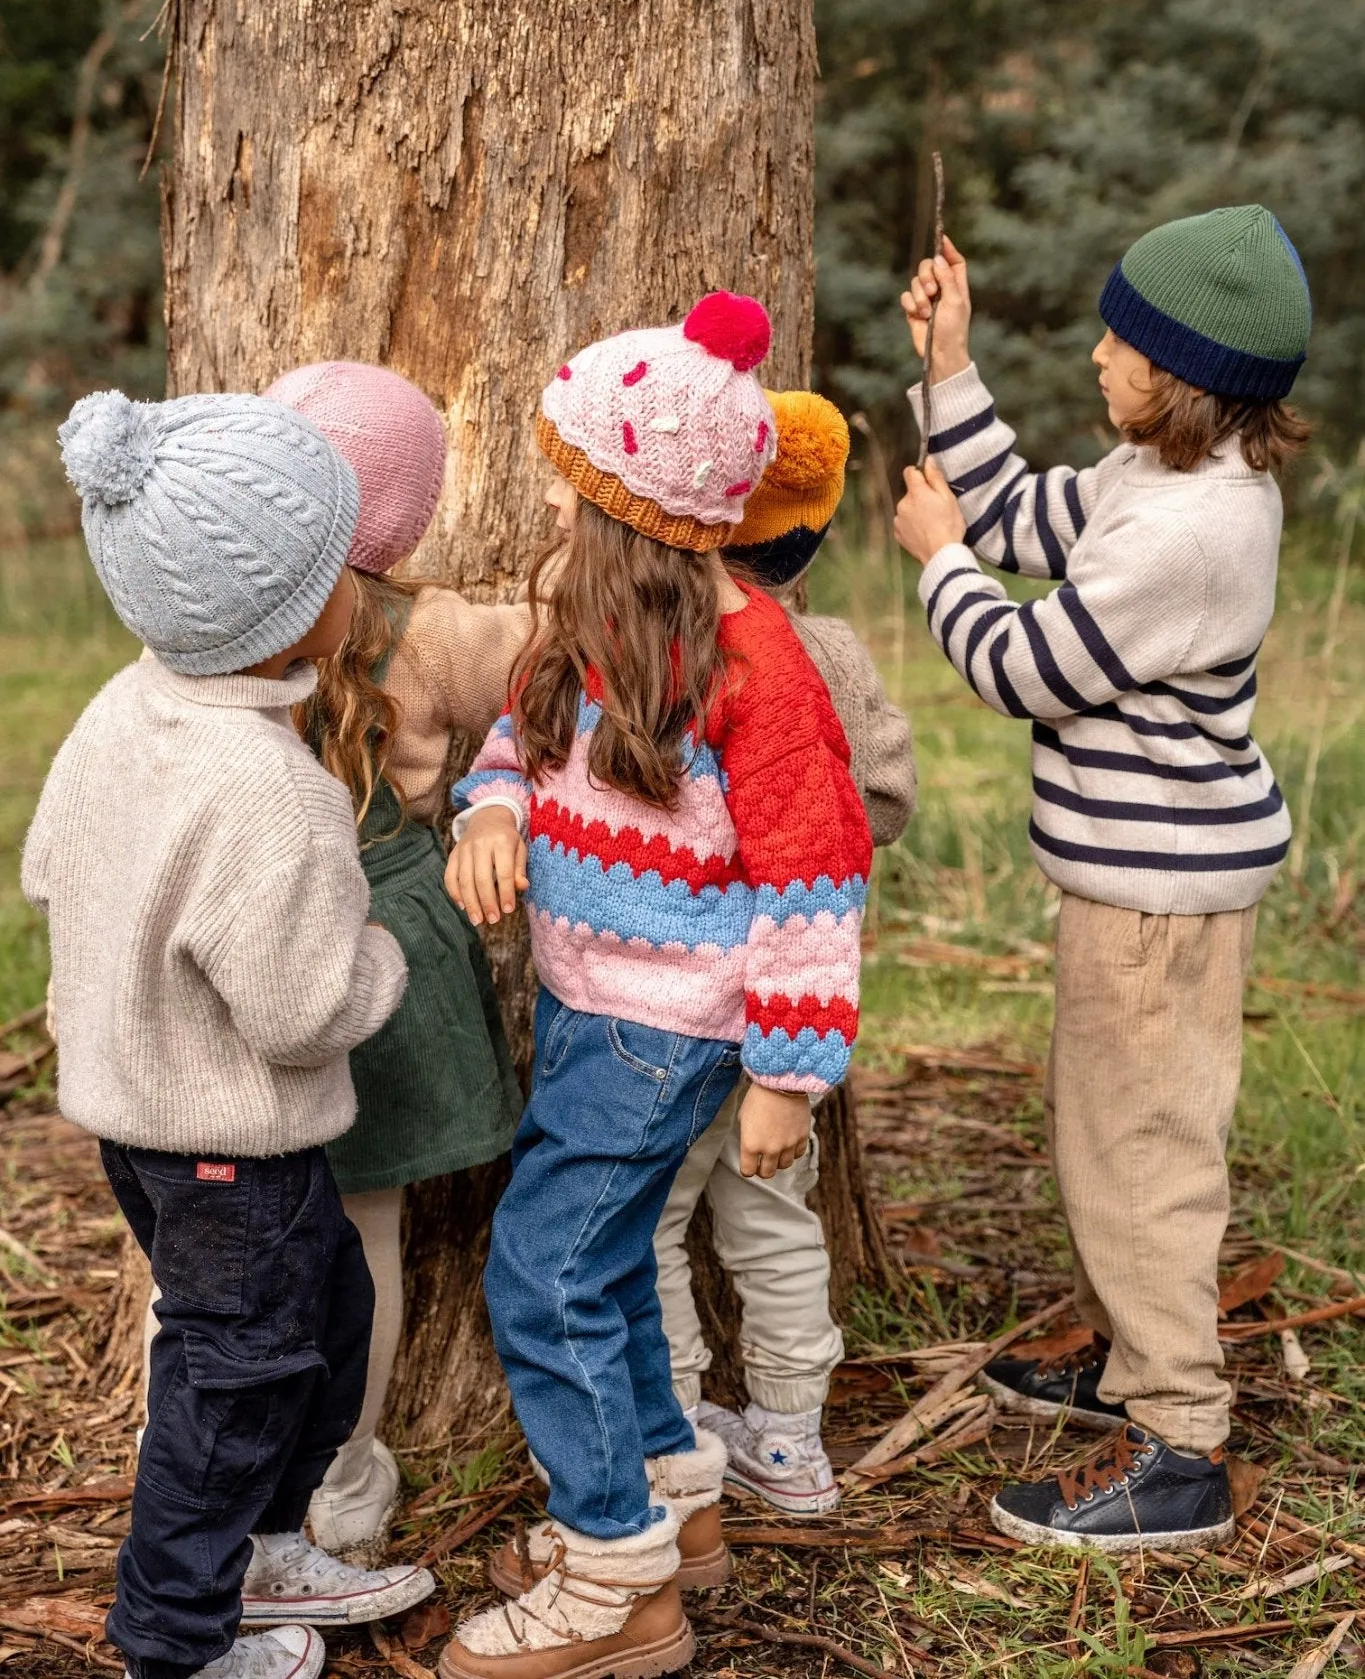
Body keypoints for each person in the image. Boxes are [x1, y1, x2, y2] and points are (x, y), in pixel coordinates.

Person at [438, 293, 873, 1679]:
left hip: (667, 1027)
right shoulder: (595, 620)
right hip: (585, 1001)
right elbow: (521, 728)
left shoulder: (759, 669)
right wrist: (491, 810)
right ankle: (672, 1503)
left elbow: (816, 878)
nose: (558, 525)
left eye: (577, 497)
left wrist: (788, 1078)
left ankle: (614, 1581)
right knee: (607, 1260)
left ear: (631, 515)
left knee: (539, 1273)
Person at [892, 206, 1311, 1552]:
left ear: (1179, 379)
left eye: (1119, 343)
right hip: (1130, 886)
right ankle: (1125, 1359)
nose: (1093, 356)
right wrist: (949, 366)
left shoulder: (1196, 533)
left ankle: (1180, 1441)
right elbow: (1021, 511)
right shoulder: (1158, 479)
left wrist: (937, 565)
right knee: (1101, 1134)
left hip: (1154, 902)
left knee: (1142, 1158)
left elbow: (1025, 668)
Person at [22, 390, 436, 1679]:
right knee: (236, 1380)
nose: (360, 587)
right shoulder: (272, 788)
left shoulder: (122, 708)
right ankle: (176, 1633)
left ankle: (253, 1550)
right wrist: (384, 957)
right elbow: (301, 1009)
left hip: (152, 1125)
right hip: (225, 1149)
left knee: (326, 1312)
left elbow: (49, 866)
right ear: (292, 612)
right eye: (337, 568)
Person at [262, 361, 528, 1561]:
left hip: (263, 931)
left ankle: (255, 1448)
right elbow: (552, 670)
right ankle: (350, 1465)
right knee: (363, 1224)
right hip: (378, 936)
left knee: (246, 1208)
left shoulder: (226, 613)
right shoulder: (437, 630)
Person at [652, 389, 915, 1521]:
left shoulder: (667, 647)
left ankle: (673, 1425)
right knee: (775, 1217)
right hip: (793, 1015)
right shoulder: (835, 650)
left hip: (671, 1000)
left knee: (649, 1221)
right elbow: (891, 796)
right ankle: (793, 1433)